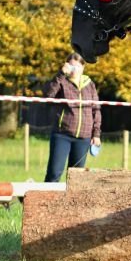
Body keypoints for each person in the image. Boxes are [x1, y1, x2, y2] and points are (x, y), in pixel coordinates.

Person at [43, 52, 102, 182]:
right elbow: (48, 95)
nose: (74, 70)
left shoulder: (90, 84)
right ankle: (47, 201)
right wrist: (60, 74)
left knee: (76, 178)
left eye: (77, 67)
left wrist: (96, 134)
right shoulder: (61, 81)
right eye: (71, 66)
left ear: (83, 67)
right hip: (62, 135)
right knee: (54, 173)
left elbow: (96, 109)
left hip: (84, 138)